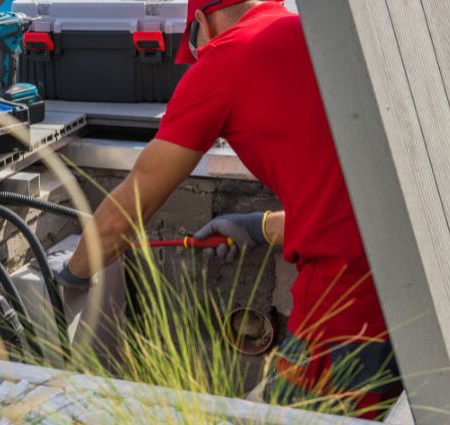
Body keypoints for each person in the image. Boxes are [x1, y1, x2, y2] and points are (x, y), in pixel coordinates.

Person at [54, 0, 402, 419]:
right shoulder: (304, 34)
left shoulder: (224, 59)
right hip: (410, 269)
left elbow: (129, 209)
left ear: (202, 20)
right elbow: (341, 197)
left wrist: (72, 272)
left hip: (346, 297)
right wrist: (258, 227)